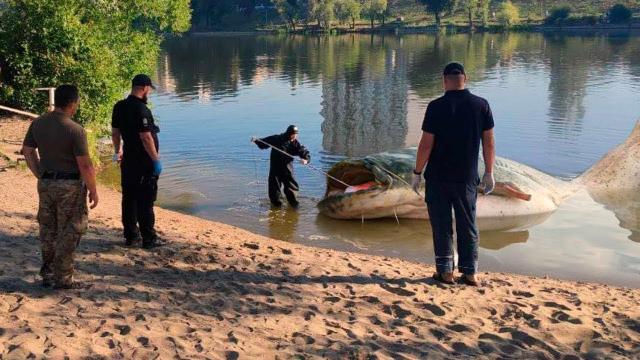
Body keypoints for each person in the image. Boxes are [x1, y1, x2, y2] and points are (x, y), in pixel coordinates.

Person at [412, 62, 496, 287]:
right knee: (467, 224)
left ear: (444, 79)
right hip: (467, 178)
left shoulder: (435, 106)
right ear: (465, 78)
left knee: (441, 225)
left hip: (438, 177)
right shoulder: (481, 105)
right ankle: (470, 274)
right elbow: (488, 142)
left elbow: (425, 145)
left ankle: (445, 273)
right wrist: (489, 172)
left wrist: (417, 172)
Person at [22, 85, 99, 289]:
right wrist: (93, 189)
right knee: (71, 230)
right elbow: (85, 164)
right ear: (72, 103)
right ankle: (63, 277)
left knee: (48, 229)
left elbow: (28, 150)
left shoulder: (38, 123)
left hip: (46, 183)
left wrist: (39, 172)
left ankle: (47, 273)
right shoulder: (74, 129)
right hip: (70, 185)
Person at [111, 74, 162, 249]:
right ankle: (149, 238)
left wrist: (118, 152)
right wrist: (156, 160)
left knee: (129, 198)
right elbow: (146, 137)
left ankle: (131, 236)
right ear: (144, 87)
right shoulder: (142, 110)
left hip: (128, 161)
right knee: (146, 200)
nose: (149, 92)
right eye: (149, 89)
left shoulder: (119, 106)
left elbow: (115, 133)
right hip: (144, 162)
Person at [252, 125, 310, 208]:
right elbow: (264, 142)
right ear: (289, 133)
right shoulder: (276, 139)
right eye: (294, 134)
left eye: (296, 134)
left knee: (291, 187)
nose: (295, 136)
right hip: (275, 168)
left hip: (287, 169)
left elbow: (304, 152)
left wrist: (305, 160)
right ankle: (276, 206)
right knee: (274, 188)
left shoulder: (295, 143)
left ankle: (294, 204)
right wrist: (256, 140)